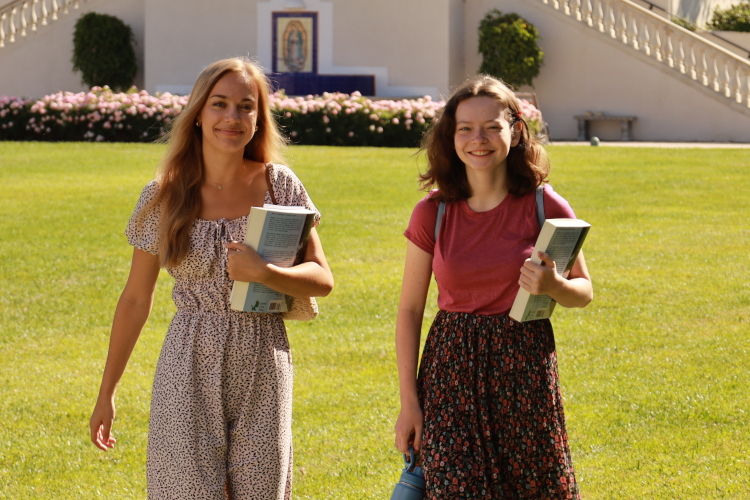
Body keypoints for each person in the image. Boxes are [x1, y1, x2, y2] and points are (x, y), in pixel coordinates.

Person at [89, 57, 334, 500]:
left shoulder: (280, 185)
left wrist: (266, 272)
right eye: (219, 104)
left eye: (246, 106)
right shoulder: (163, 195)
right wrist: (107, 392)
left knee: (261, 492)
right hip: (187, 359)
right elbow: (134, 300)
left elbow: (322, 278)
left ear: (259, 120)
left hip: (264, 357)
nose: (232, 117)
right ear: (198, 113)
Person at [393, 75, 592, 499]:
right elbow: (410, 310)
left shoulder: (545, 205)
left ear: (516, 130)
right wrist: (409, 402)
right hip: (449, 372)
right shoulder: (432, 213)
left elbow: (583, 290)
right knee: (456, 488)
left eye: (491, 127)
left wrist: (553, 284)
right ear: (451, 136)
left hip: (524, 368)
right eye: (465, 128)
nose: (477, 139)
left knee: (533, 488)